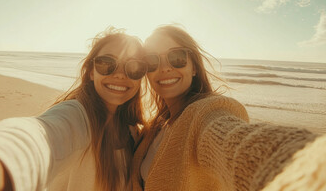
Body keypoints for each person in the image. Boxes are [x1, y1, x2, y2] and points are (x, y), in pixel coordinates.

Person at [132, 24, 326, 191]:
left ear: (194, 67)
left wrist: (307, 162)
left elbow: (235, 141)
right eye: (152, 61)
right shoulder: (157, 125)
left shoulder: (205, 114)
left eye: (176, 57)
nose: (165, 67)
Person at [0, 27, 148, 191]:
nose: (119, 74)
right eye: (107, 63)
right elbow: (41, 135)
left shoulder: (133, 130)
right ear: (91, 72)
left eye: (134, 67)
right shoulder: (78, 116)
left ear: (141, 76)